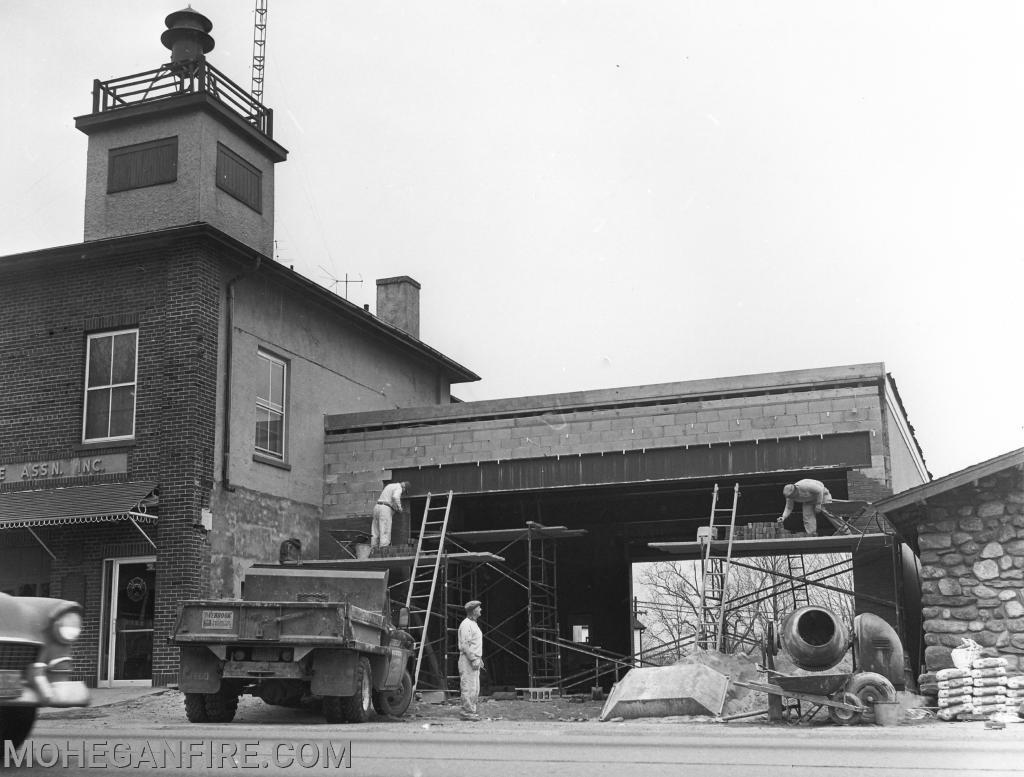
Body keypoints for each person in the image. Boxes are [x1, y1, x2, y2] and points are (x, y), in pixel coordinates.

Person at [776, 479, 851, 536]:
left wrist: (818, 504)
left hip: (822, 495)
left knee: (829, 512)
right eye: (791, 497)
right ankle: (812, 534)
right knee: (807, 516)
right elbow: (789, 508)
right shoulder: (789, 496)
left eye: (794, 496)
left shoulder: (805, 486)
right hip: (808, 500)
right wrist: (783, 517)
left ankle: (846, 532)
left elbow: (819, 490)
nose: (793, 498)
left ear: (795, 490)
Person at [458, 600, 484, 721]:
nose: (480, 610)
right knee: (468, 686)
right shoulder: (466, 624)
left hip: (474, 659)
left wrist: (479, 658)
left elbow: (474, 643)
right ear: (474, 610)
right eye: (479, 608)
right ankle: (466, 711)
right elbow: (465, 645)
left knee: (474, 687)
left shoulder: (473, 624)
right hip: (468, 660)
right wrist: (473, 658)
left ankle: (471, 711)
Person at [371, 481, 409, 549]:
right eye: (404, 491)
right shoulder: (399, 488)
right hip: (384, 509)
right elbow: (395, 497)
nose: (402, 493)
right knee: (385, 530)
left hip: (377, 507)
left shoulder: (390, 485)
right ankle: (384, 549)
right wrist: (400, 508)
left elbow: (391, 500)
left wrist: (395, 508)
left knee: (375, 531)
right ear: (404, 488)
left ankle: (373, 549)